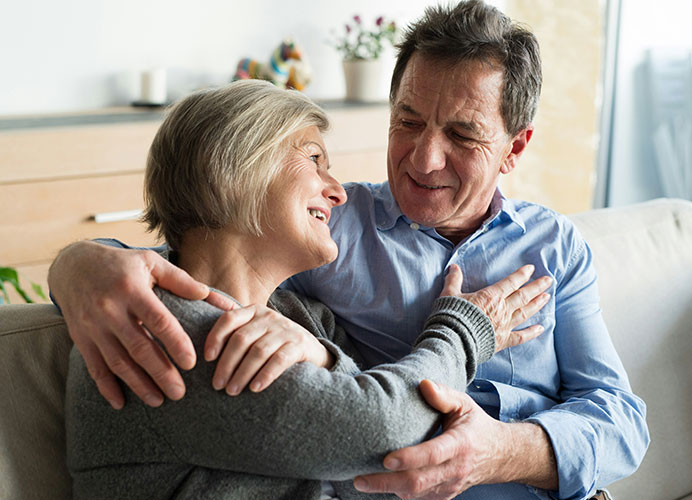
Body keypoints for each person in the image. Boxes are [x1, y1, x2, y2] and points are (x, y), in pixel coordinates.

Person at [50, 1, 649, 499]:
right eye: (407, 122)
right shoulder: (330, 232)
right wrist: (78, 263)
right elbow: (195, 239)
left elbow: (622, 423)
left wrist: (503, 453)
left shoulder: (555, 246)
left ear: (514, 148)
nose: (422, 159)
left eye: (463, 136)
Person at [64, 79, 551, 500]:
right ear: (237, 165)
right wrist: (464, 330)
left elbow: (383, 468)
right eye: (314, 159)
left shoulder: (301, 316)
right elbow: (389, 435)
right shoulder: (158, 330)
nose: (338, 191)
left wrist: (322, 357)